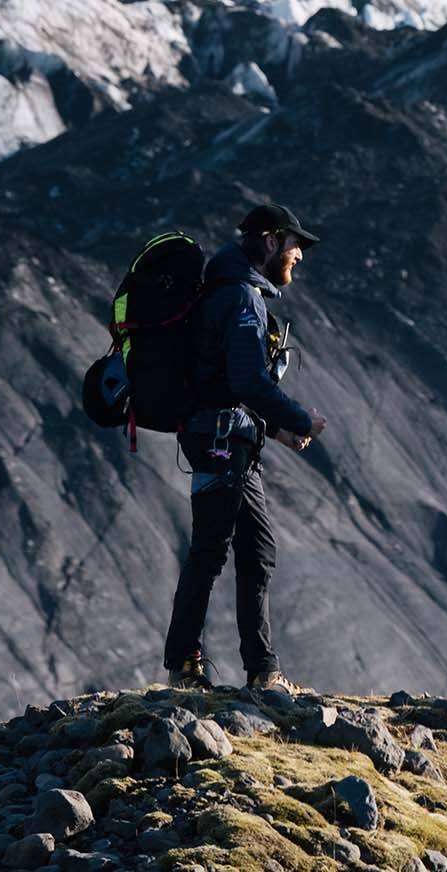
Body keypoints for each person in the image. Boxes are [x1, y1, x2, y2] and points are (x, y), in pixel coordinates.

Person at [163, 202, 327, 694]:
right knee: (211, 550)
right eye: (295, 244)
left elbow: (224, 382)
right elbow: (248, 381)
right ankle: (185, 666)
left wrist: (273, 431)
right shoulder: (239, 298)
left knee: (257, 550)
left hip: (230, 435)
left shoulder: (229, 290)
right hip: (219, 439)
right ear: (271, 239)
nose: (299, 254)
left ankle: (263, 670)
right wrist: (299, 418)